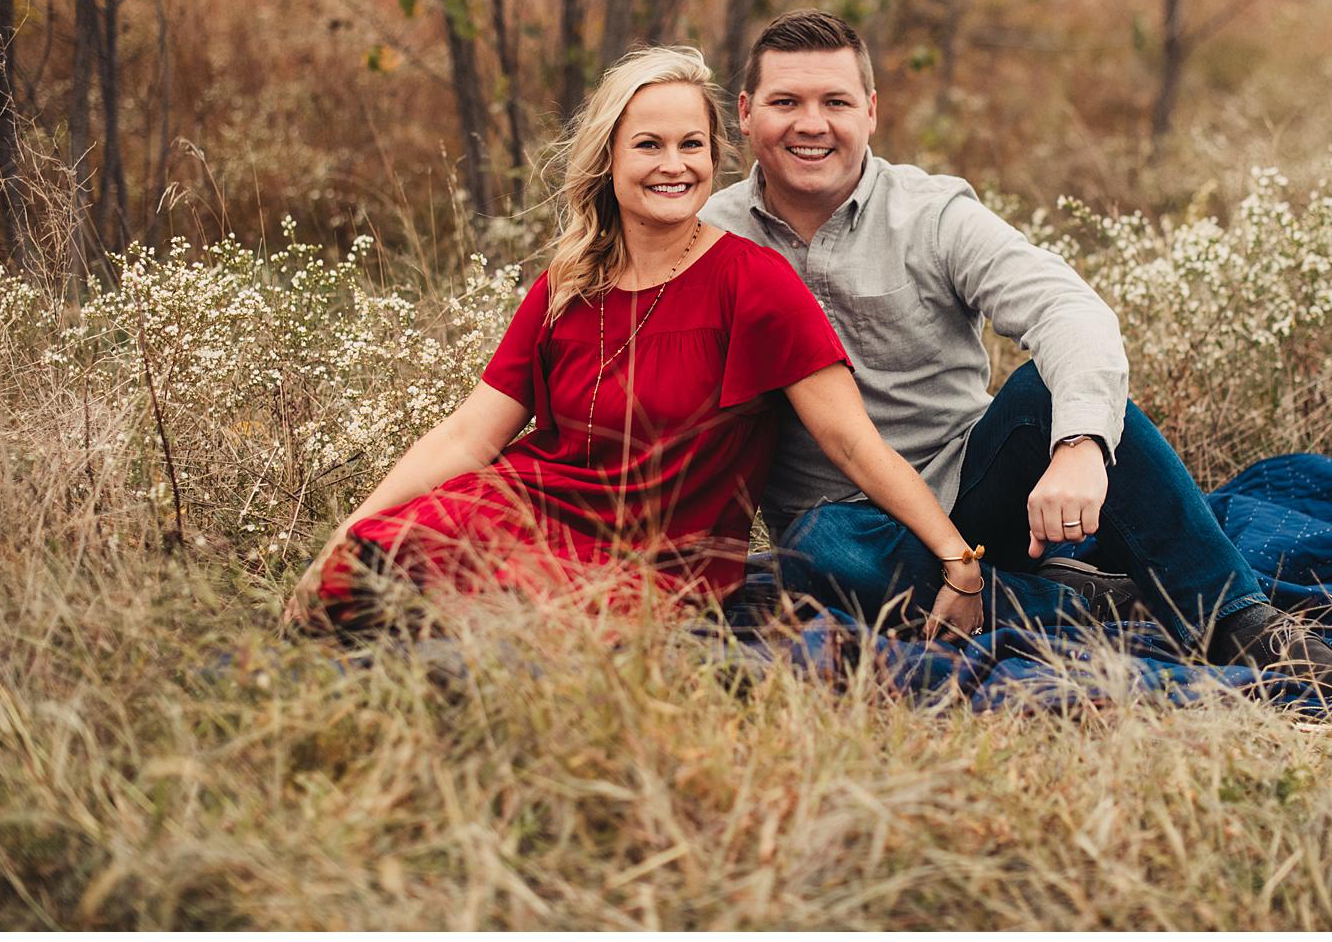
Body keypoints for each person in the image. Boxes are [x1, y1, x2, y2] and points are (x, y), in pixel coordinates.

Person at [699, 10, 1332, 699]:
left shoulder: (933, 214)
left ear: (872, 111)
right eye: (786, 101)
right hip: (853, 532)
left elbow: (1069, 311)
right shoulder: (707, 236)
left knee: (1052, 394)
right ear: (745, 112)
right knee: (818, 551)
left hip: (972, 494)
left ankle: (1242, 623)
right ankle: (1080, 606)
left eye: (836, 101)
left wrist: (1079, 447)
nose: (811, 123)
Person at [285, 46, 998, 640]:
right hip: (521, 515)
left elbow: (852, 443)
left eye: (691, 145)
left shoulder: (754, 282)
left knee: (516, 639)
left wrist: (957, 561)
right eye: (649, 145)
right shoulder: (568, 283)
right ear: (609, 159)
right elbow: (471, 436)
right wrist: (344, 535)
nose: (674, 165)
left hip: (656, 567)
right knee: (360, 583)